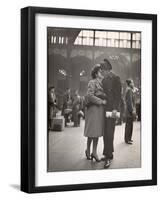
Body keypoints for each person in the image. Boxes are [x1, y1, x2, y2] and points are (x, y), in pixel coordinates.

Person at [101, 59, 122, 168]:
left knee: (110, 132)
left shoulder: (115, 78)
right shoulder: (104, 80)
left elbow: (118, 96)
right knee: (106, 132)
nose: (102, 73)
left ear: (108, 70)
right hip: (105, 109)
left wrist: (115, 109)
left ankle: (108, 157)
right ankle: (108, 153)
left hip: (112, 110)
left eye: (103, 71)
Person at [84, 64, 106, 161]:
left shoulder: (102, 83)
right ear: (96, 74)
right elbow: (89, 95)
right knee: (92, 132)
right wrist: (101, 101)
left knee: (96, 132)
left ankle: (93, 152)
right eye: (100, 71)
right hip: (93, 110)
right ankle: (89, 151)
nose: (102, 73)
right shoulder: (92, 82)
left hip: (99, 111)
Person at [124, 79, 136, 144]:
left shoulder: (129, 90)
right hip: (129, 111)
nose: (133, 84)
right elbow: (129, 102)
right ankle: (127, 139)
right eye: (132, 82)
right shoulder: (129, 90)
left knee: (130, 125)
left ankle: (129, 138)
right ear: (130, 83)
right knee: (129, 125)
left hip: (129, 111)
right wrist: (132, 111)